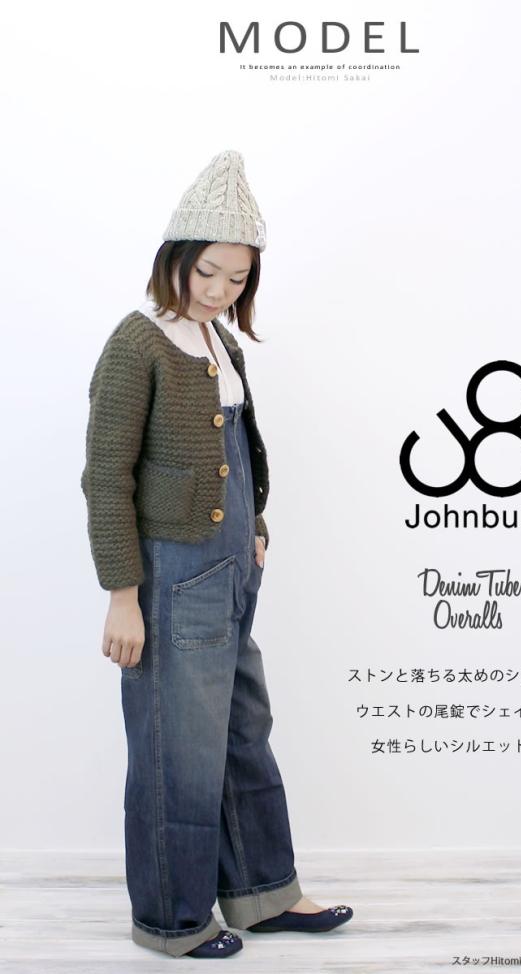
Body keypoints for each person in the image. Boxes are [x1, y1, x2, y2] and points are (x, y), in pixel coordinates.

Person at [80, 149, 353, 959]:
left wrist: (254, 523)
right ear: (176, 257)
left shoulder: (221, 342)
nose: (219, 290)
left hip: (233, 570)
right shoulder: (138, 344)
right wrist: (122, 595)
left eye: (237, 278)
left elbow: (231, 452)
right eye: (208, 272)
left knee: (243, 731)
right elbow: (105, 477)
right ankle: (172, 921)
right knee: (178, 751)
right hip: (173, 576)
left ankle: (266, 895)